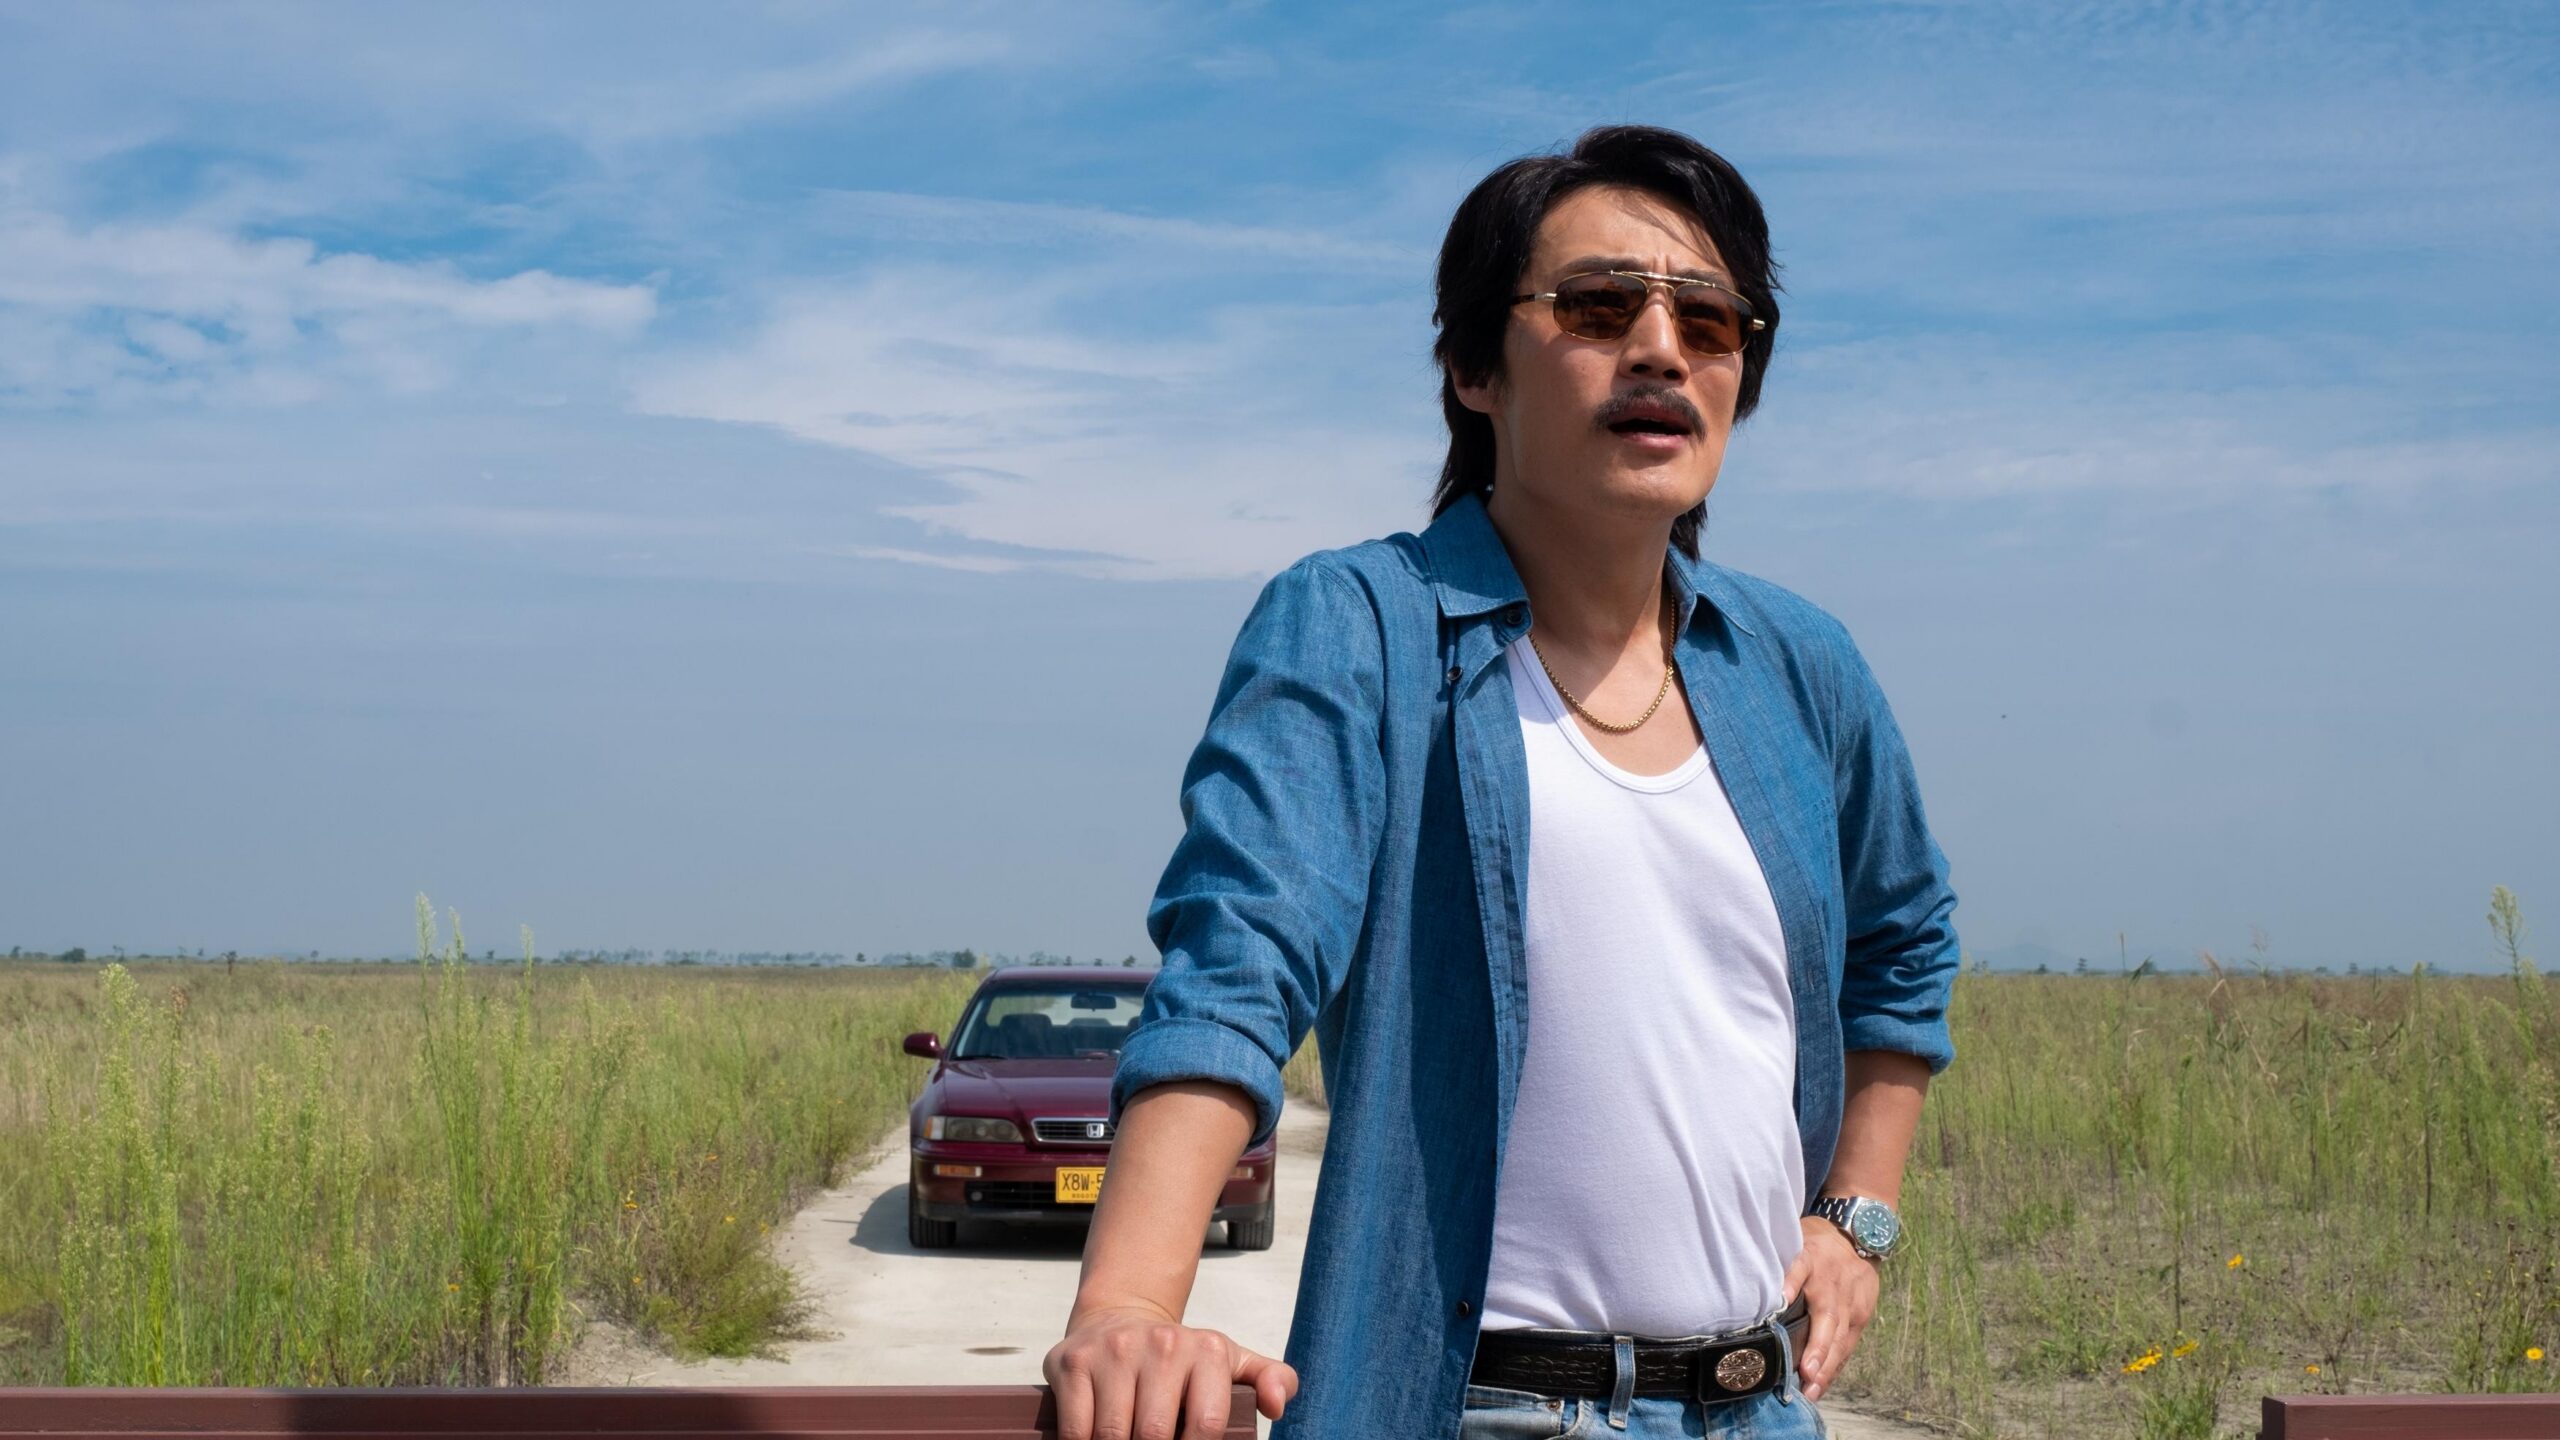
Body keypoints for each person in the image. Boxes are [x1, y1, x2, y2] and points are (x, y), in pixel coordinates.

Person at [1041, 124, 1961, 1440]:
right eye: (1598, 306)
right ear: (1475, 367)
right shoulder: (1360, 627)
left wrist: (1855, 1215)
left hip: (1758, 1408)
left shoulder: (1798, 666)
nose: (1662, 350)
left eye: (1709, 321)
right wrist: (1129, 1305)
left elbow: (1903, 939)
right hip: (1485, 1410)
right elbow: (1240, 966)